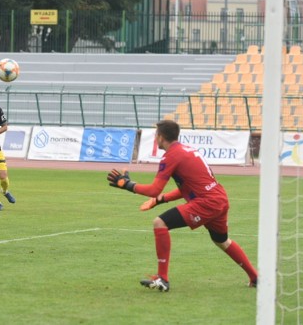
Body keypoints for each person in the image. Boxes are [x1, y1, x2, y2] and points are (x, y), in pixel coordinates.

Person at [107, 119, 258, 292]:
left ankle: (162, 278)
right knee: (222, 241)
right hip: (219, 198)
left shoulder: (171, 156)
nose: (156, 138)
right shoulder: (187, 150)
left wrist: (127, 185)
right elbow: (186, 187)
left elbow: (154, 189)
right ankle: (255, 277)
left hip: (207, 202)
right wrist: (159, 200)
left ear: (162, 137)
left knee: (160, 223)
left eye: (156, 135)